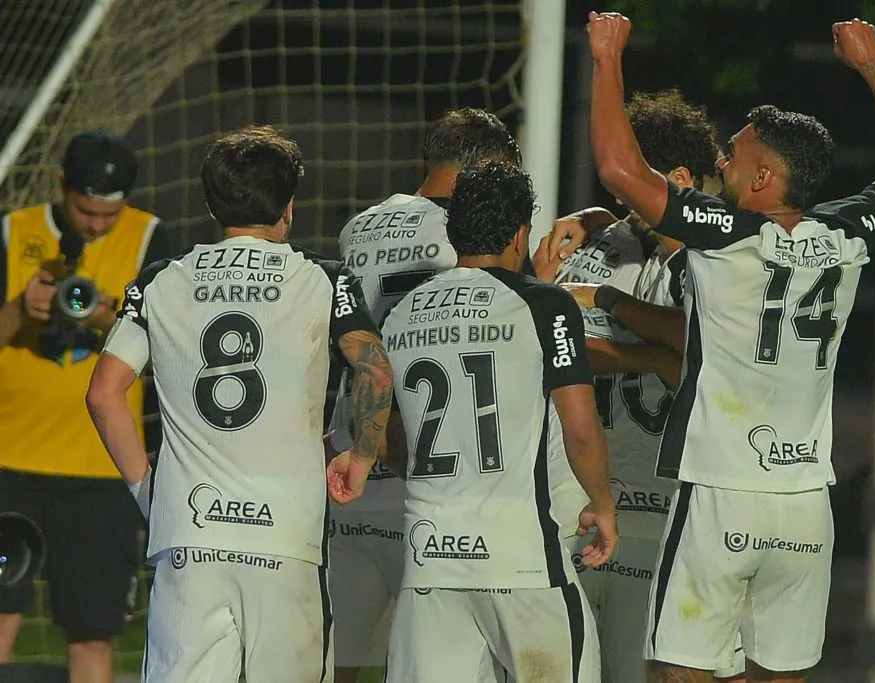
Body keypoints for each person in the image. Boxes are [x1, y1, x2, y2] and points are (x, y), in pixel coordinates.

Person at [584, 12, 875, 683]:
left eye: (736, 153)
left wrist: (608, 57)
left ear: (763, 180)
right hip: (807, 499)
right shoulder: (847, 237)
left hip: (723, 490)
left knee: (682, 672)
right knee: (782, 674)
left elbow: (617, 165)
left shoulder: (725, 232)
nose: (722, 161)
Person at [85, 125, 394, 683]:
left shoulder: (160, 282)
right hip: (286, 539)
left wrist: (146, 492)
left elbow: (104, 393)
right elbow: (372, 365)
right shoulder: (322, 279)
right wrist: (362, 456)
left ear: (210, 203)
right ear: (289, 207)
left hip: (190, 536)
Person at [537, 90, 745, 683]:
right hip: (579, 508)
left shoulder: (724, 259)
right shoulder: (606, 241)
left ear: (673, 179)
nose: (617, 205)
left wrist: (611, 321)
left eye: (626, 191)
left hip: (666, 518)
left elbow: (697, 350)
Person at [382, 161, 617, 683]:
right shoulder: (546, 305)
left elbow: (387, 435)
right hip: (521, 560)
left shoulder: (400, 312)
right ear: (519, 233)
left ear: (452, 229)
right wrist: (601, 503)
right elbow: (579, 425)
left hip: (431, 561)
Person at [323, 107, 523, 683]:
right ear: (487, 169)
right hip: (435, 484)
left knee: (335, 666)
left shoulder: (358, 227)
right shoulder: (472, 234)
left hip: (353, 471)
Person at [0, 130, 173, 683]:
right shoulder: (12, 231)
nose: (98, 225)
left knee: (94, 632)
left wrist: (106, 319)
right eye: (85, 211)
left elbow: (173, 346)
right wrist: (20, 311)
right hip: (9, 464)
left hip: (102, 471)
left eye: (109, 215)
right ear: (61, 187)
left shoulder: (151, 238)